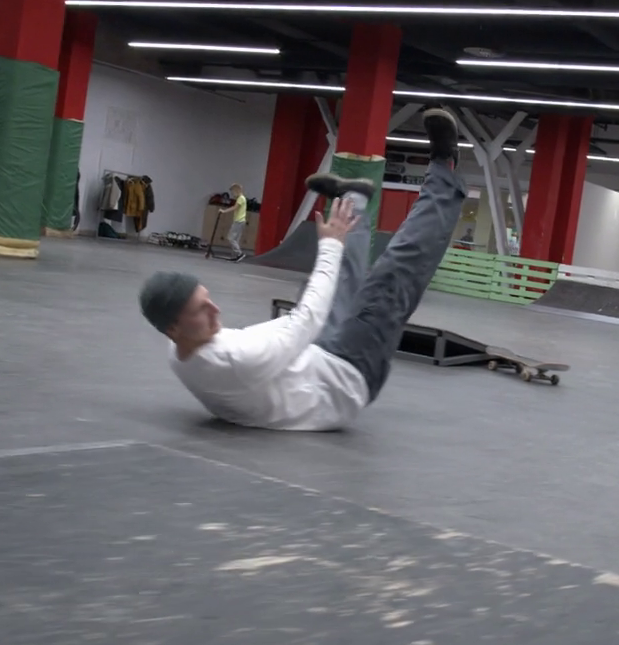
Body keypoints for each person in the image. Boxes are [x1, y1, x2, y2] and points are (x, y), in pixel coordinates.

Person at [139, 108, 468, 431]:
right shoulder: (235, 361)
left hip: (314, 357)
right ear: (173, 328)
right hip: (345, 378)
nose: (215, 309)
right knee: (393, 276)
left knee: (336, 283)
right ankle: (445, 169)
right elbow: (304, 322)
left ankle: (354, 198)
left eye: (207, 299)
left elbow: (291, 328)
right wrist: (328, 248)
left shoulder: (179, 350)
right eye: (200, 309)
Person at [217, 182, 249, 261]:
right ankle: (236, 255)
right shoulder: (242, 198)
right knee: (236, 239)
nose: (232, 194)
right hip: (241, 221)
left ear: (236, 190)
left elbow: (235, 207)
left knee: (230, 238)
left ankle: (239, 253)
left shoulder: (241, 198)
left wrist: (224, 211)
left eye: (233, 192)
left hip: (238, 221)